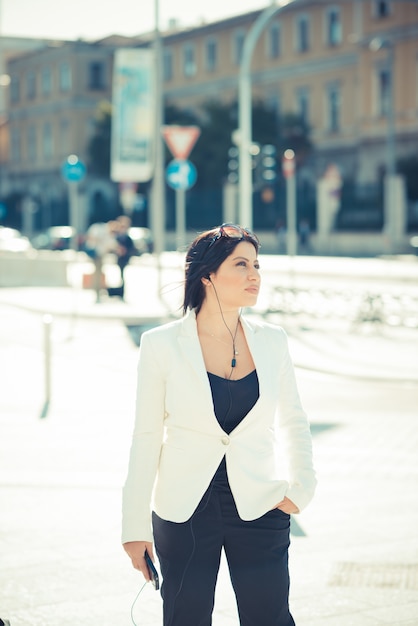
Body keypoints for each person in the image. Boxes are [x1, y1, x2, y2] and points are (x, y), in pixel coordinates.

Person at [122, 223, 316, 626]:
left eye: (257, 266)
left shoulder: (272, 339)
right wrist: (134, 526)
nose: (254, 276)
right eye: (241, 265)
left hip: (260, 505)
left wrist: (302, 488)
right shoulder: (160, 345)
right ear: (208, 275)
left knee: (271, 618)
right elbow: (145, 437)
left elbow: (293, 418)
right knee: (186, 618)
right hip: (185, 511)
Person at [114, 215, 135, 299]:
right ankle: (119, 292)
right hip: (119, 258)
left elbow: (131, 248)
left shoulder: (128, 237)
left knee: (123, 276)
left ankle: (122, 292)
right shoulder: (117, 236)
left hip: (124, 258)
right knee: (119, 276)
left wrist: (125, 251)